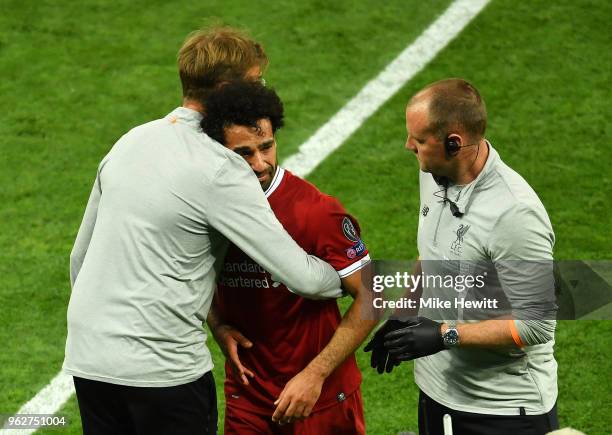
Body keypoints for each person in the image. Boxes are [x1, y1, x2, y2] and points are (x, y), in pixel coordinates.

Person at [63, 27, 344, 435]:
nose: (261, 94)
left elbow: (79, 258)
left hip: (89, 358)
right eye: (255, 84)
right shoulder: (221, 166)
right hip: (164, 371)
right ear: (229, 90)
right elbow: (302, 277)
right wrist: (346, 276)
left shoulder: (129, 141)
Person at [365, 78, 559, 434]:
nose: (408, 146)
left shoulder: (514, 214)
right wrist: (406, 312)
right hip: (438, 393)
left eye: (419, 140)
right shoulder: (435, 173)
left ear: (454, 142)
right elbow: (433, 254)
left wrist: (443, 335)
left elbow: (536, 325)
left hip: (501, 410)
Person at [200, 81, 377, 434]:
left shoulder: (315, 212)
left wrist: (315, 374)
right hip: (248, 398)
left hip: (319, 399)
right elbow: (187, 268)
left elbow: (373, 295)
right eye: (244, 153)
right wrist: (217, 324)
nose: (260, 163)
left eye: (266, 147)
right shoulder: (203, 209)